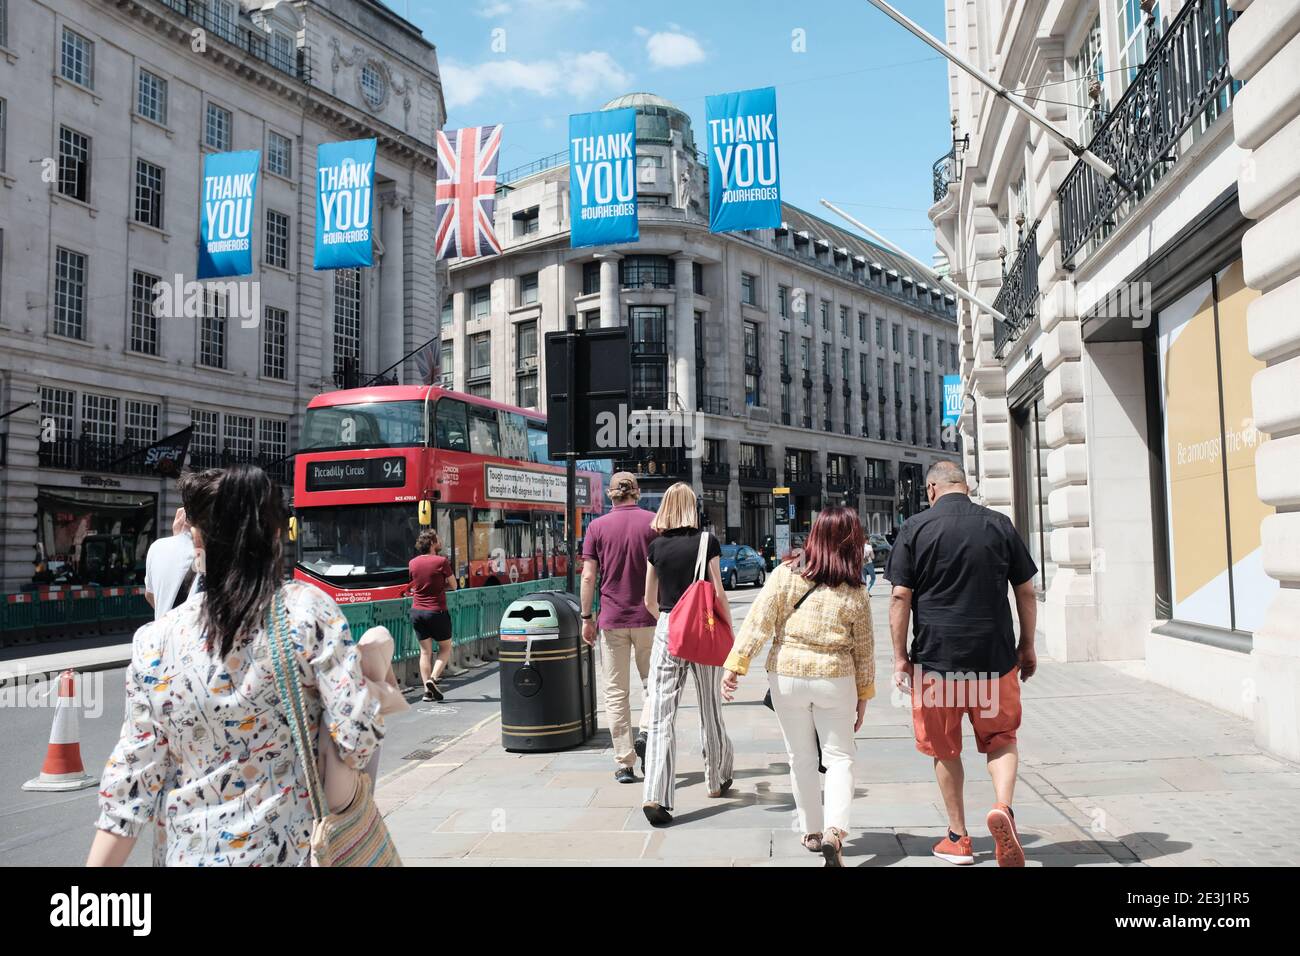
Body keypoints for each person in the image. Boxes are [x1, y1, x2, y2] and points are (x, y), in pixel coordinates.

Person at [88, 465, 384, 867]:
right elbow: (357, 738)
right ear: (276, 535)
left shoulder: (154, 642)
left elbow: (130, 788)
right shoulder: (307, 613)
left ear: (196, 539)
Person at [886, 461, 1038, 868]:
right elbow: (1026, 590)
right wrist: (1027, 645)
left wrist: (900, 657)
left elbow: (900, 597)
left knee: (944, 747)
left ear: (932, 489)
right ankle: (1003, 808)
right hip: (994, 659)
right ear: (966, 487)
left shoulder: (915, 528)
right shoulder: (999, 524)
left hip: (938, 663)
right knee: (1001, 737)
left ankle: (958, 838)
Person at [722, 507, 874, 866]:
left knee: (800, 757)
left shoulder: (784, 575)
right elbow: (865, 650)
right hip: (835, 678)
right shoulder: (855, 590)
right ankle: (836, 831)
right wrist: (864, 694)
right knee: (839, 758)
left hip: (787, 676)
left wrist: (736, 666)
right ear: (852, 543)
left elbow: (759, 622)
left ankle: (811, 831)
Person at [640, 482, 735, 826]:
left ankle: (655, 793)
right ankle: (715, 779)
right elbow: (719, 593)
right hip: (703, 627)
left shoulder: (655, 547)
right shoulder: (707, 542)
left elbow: (648, 601)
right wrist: (730, 631)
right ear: (692, 508)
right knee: (710, 706)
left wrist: (668, 622)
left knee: (661, 714)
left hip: (668, 628)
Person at [580, 472, 658, 784]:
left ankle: (625, 762)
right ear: (636, 493)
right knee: (653, 686)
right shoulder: (654, 523)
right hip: (650, 618)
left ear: (611, 496)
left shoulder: (596, 527)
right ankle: (648, 733)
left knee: (616, 692)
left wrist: (586, 618)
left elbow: (588, 576)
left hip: (611, 620)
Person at [407, 529, 458, 702]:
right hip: (436, 610)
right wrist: (441, 587)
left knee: (424, 652)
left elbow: (417, 584)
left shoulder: (412, 563)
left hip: (417, 611)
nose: (440, 540)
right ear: (432, 543)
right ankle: (433, 679)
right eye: (438, 538)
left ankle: (427, 693)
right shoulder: (441, 561)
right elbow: (454, 585)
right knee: (445, 648)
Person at [143, 507, 197, 620]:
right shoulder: (218, 556)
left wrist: (177, 539)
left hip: (164, 634)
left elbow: (150, 595)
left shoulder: (157, 548)